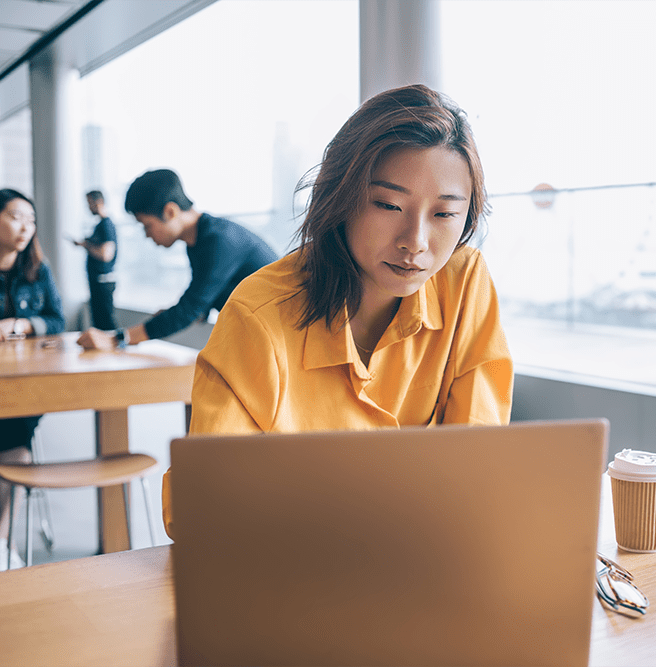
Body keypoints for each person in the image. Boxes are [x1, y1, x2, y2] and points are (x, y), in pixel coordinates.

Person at [161, 84, 514, 538]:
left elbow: (478, 457)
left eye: (445, 214)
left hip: (426, 559)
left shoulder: (464, 280)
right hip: (297, 571)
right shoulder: (259, 316)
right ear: (339, 197)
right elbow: (202, 506)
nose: (416, 242)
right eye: (388, 205)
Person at [76, 169, 277, 350]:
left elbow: (190, 308)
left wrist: (116, 339)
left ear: (170, 212)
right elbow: (201, 303)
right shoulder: (198, 242)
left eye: (147, 225)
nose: (147, 235)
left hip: (283, 340)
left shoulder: (219, 240)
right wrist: (172, 316)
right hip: (262, 339)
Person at [0, 188, 65, 569]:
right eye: (15, 216)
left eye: (31, 219)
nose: (25, 227)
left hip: (23, 387)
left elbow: (58, 320)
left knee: (15, 434)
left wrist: (25, 323)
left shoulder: (38, 269)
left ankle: (2, 540)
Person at [71, 190, 117, 330]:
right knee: (99, 322)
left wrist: (86, 245)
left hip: (103, 281)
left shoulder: (106, 224)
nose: (88, 207)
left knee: (105, 323)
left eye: (89, 203)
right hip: (98, 281)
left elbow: (105, 254)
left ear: (97, 202)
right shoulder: (100, 225)